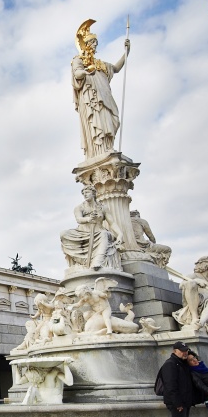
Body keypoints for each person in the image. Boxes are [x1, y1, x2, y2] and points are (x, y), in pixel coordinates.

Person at [71, 20, 130, 159]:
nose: (94, 46)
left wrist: (126, 53)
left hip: (105, 96)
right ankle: (99, 151)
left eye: (96, 43)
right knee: (97, 124)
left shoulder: (100, 63)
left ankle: (109, 148)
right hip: (92, 99)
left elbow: (115, 68)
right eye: (92, 43)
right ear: (85, 45)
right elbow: (77, 73)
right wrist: (86, 73)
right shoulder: (78, 60)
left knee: (112, 121)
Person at [159, 342, 204, 417]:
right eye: (182, 350)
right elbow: (170, 386)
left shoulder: (181, 363)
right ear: (175, 351)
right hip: (177, 403)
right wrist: (178, 403)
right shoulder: (170, 364)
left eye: (186, 350)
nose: (185, 353)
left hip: (185, 402)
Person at [60, 185, 123, 270]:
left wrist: (120, 234)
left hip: (99, 231)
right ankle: (83, 261)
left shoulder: (103, 207)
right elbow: (79, 219)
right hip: (82, 233)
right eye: (83, 193)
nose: (85, 195)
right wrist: (88, 219)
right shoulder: (79, 207)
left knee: (104, 234)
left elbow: (112, 223)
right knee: (63, 234)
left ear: (93, 193)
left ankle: (97, 261)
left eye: (87, 192)